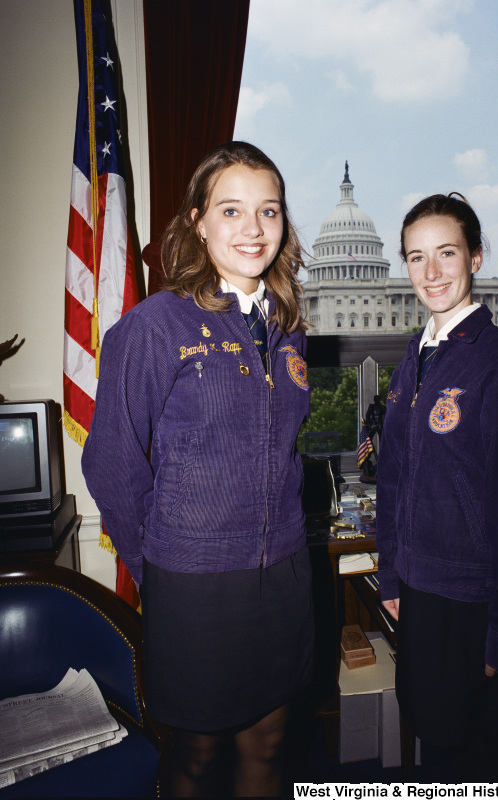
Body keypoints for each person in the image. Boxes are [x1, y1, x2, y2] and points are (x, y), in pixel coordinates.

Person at [82, 141, 314, 797]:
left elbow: (292, 446)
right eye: (232, 210)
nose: (253, 228)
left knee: (268, 746)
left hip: (285, 576)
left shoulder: (290, 327)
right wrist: (160, 560)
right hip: (197, 586)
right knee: (196, 755)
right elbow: (111, 461)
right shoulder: (154, 326)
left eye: (268, 211)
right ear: (197, 221)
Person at [376, 193, 498, 781]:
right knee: (432, 733)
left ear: (475, 258)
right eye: (416, 257)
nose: (430, 273)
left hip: (472, 596)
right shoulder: (416, 357)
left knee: (472, 757)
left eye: (446, 253)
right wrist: (392, 574)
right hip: (419, 591)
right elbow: (395, 477)